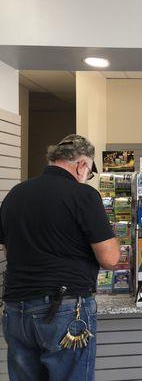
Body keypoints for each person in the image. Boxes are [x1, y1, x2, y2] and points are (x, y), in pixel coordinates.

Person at [0, 134, 120, 381]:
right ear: (82, 165)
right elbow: (110, 258)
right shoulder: (83, 195)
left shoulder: (15, 194)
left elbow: (9, 250)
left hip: (16, 308)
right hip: (64, 308)